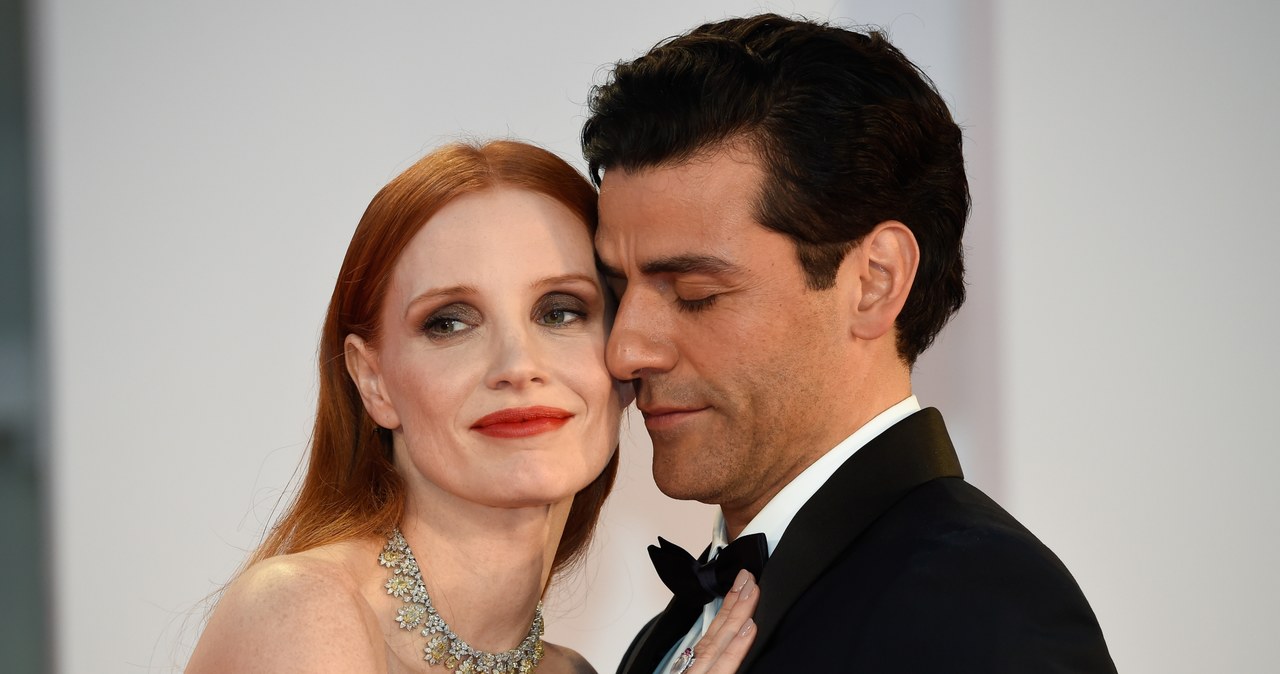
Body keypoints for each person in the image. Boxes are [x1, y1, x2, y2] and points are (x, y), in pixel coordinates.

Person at [583, 14, 1117, 673]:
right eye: (616, 289)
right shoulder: (667, 637)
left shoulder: (981, 614)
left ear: (873, 282)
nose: (626, 352)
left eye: (695, 292)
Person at [185, 140, 757, 674]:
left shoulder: (574, 671)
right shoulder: (305, 612)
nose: (516, 364)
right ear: (373, 382)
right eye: (450, 323)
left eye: (559, 311)